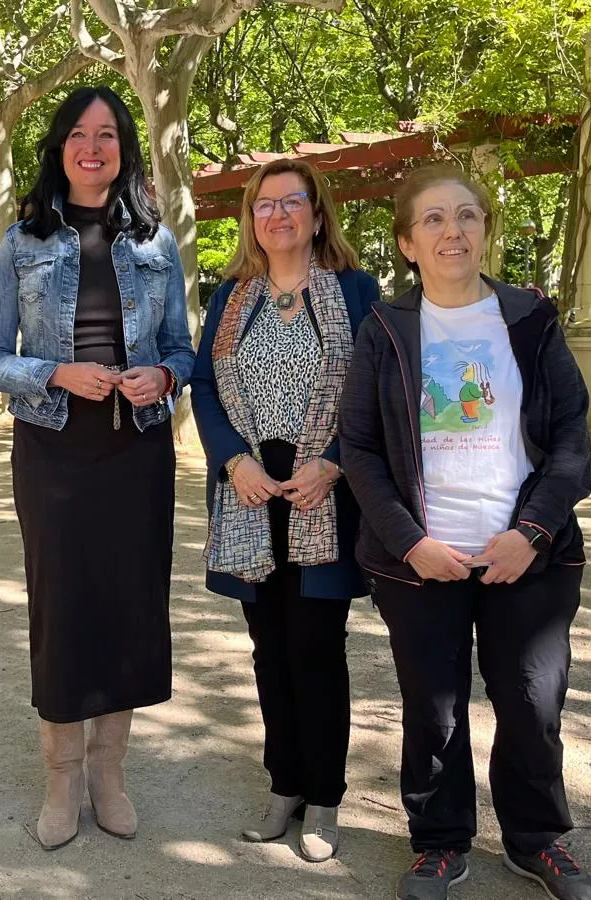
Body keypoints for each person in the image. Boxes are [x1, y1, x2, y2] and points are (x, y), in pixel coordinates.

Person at [338, 165, 591, 900]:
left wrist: (532, 531)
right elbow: (357, 448)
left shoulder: (530, 319)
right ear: (406, 243)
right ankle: (439, 842)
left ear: (486, 229)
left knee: (531, 701)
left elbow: (571, 439)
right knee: (435, 708)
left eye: (466, 216)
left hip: (527, 556)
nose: (452, 231)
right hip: (422, 558)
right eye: (433, 220)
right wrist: (408, 540)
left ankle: (536, 841)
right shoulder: (387, 329)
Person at [0, 86, 195, 851]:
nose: (92, 147)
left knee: (131, 609)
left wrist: (162, 379)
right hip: (54, 451)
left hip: (136, 450)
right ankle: (62, 776)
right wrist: (54, 374)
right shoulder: (23, 241)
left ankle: (110, 772)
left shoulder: (155, 241)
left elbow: (182, 349)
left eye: (107, 135)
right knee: (62, 610)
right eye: (78, 134)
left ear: (124, 148)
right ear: (59, 146)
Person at [188, 159, 378, 863]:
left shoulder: (357, 292)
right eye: (264, 206)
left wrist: (331, 463)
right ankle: (285, 786)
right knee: (269, 650)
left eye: (291, 203)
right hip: (249, 491)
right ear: (251, 220)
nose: (277, 216)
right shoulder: (233, 297)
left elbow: (372, 390)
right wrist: (232, 460)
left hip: (321, 493)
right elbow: (204, 385)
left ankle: (325, 798)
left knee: (317, 649)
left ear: (317, 215)